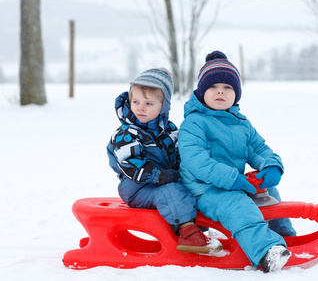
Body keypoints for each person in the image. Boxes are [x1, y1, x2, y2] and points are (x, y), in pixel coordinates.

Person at [178, 51, 296, 272]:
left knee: (269, 190)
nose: (220, 91)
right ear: (202, 92)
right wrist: (231, 179)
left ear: (237, 94)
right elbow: (197, 161)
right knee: (237, 205)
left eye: (228, 87)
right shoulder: (194, 123)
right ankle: (265, 252)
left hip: (232, 182)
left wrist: (271, 164)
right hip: (204, 189)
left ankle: (286, 237)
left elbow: (257, 148)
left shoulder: (241, 123)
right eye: (213, 87)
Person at [107, 68, 221, 254]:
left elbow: (181, 153)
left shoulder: (168, 130)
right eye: (135, 102)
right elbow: (130, 163)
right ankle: (187, 233)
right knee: (171, 191)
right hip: (137, 188)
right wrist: (160, 175)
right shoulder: (127, 133)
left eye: (148, 103)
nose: (140, 107)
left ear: (163, 106)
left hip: (166, 180)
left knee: (191, 186)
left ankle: (198, 227)